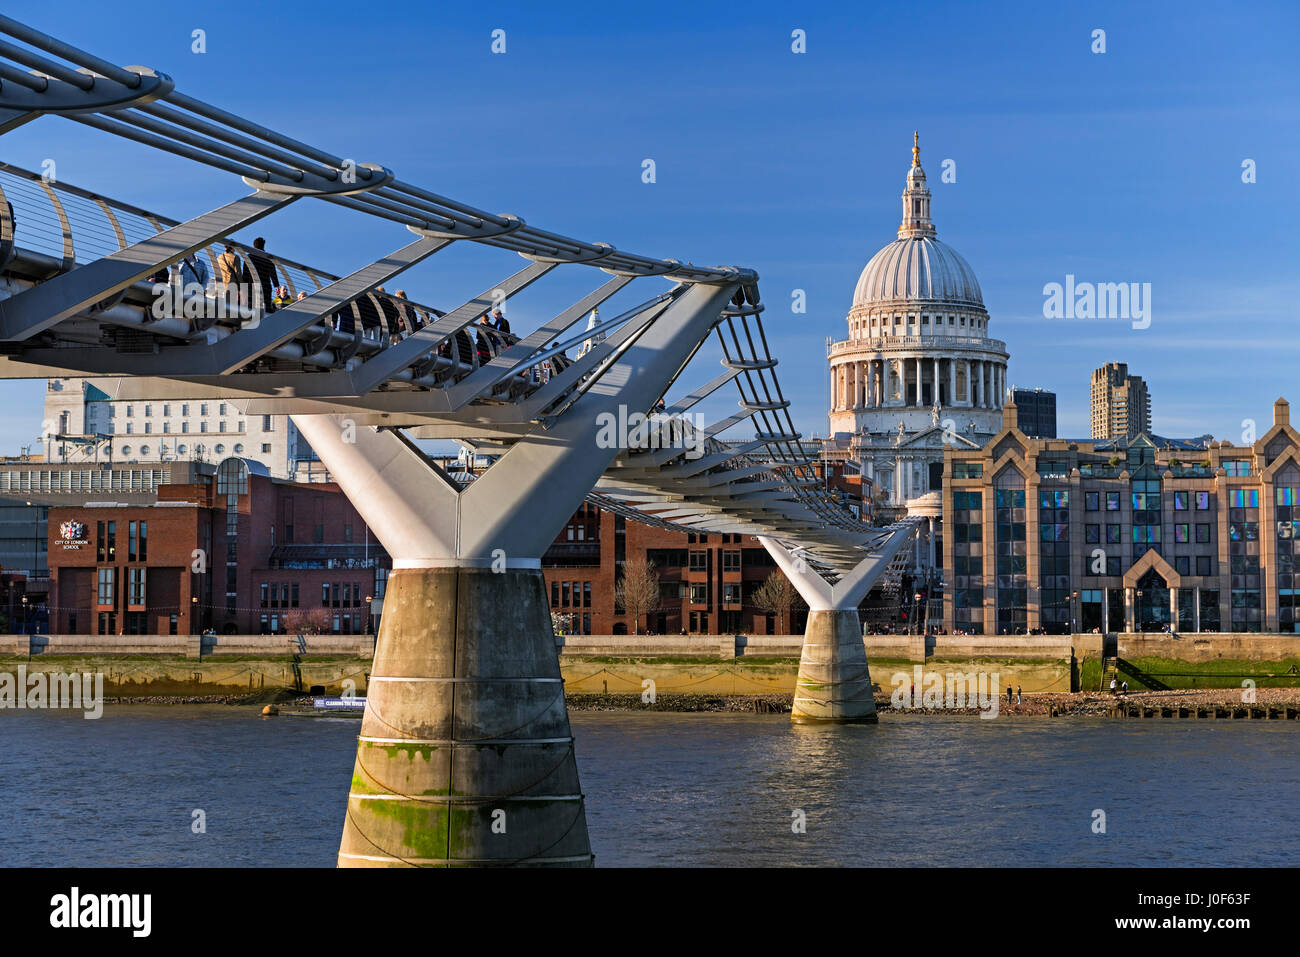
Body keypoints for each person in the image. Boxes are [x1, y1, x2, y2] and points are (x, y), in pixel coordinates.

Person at [247, 237, 280, 313]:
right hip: (265, 285)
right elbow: (273, 272)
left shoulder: (249, 257)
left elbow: (245, 273)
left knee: (251, 306)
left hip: (252, 285)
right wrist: (277, 285)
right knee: (266, 306)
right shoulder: (267, 258)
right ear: (263, 245)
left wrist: (243, 286)